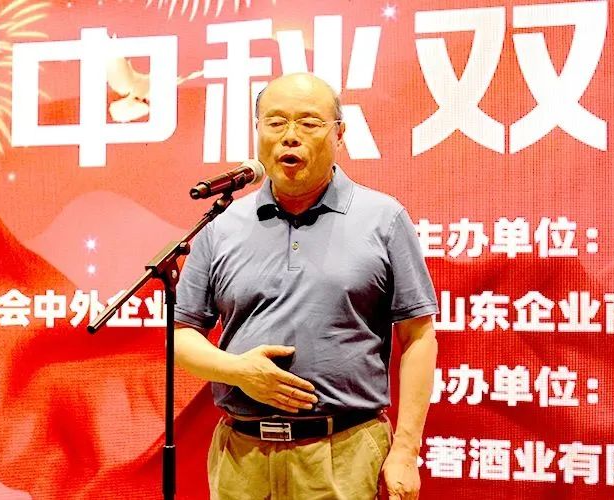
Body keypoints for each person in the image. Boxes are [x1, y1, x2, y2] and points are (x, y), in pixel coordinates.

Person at [174, 73, 439, 500]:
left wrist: (406, 452)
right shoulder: (221, 225)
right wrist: (239, 371)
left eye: (309, 123)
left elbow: (419, 336)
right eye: (275, 122)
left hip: (344, 454)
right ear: (258, 131)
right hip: (241, 457)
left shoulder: (383, 218)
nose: (290, 136)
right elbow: (181, 336)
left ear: (339, 134)